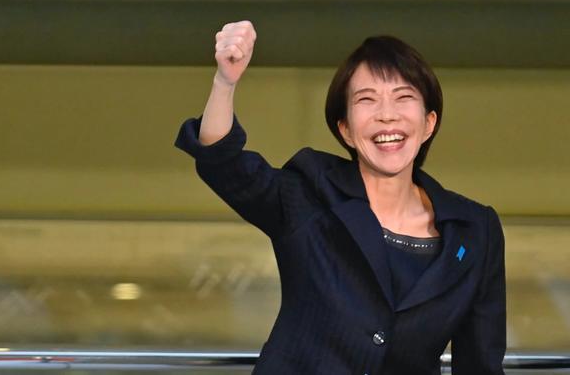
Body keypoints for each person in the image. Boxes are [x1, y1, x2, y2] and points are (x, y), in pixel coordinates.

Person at [175, 20, 506, 375]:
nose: (387, 115)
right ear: (345, 129)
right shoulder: (309, 193)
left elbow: (480, 366)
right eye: (367, 99)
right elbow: (223, 164)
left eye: (403, 97)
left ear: (428, 123)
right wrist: (225, 82)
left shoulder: (475, 230)